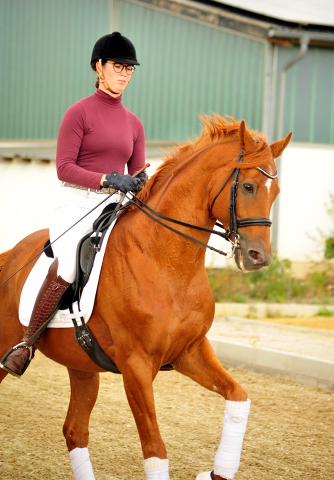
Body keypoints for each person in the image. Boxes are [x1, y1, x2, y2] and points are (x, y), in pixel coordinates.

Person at [1, 32, 147, 378]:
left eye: (129, 69)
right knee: (68, 264)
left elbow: (138, 173)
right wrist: (109, 179)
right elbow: (64, 167)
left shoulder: (135, 123)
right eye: (117, 66)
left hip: (113, 208)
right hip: (76, 204)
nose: (124, 74)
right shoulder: (78, 112)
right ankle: (26, 343)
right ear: (99, 67)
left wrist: (137, 183)